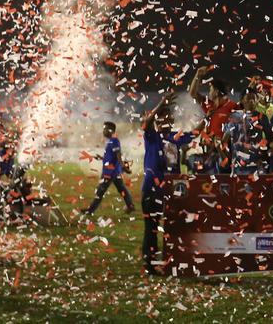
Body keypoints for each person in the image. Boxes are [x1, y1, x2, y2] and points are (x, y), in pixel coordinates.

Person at [140, 92, 197, 276]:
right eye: (162, 118)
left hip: (171, 190)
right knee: (152, 228)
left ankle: (172, 261)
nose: (167, 120)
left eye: (168, 117)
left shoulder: (174, 137)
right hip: (152, 189)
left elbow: (196, 132)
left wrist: (211, 116)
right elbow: (146, 123)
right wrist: (161, 105)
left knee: (173, 227)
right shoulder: (152, 137)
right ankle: (149, 265)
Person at [81, 121, 134, 216]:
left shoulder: (114, 140)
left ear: (111, 130)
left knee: (100, 191)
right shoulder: (111, 141)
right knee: (122, 189)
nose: (103, 131)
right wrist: (102, 158)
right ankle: (130, 205)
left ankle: (90, 211)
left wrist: (123, 167)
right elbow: (112, 156)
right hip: (113, 171)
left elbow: (118, 155)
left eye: (105, 128)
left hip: (110, 172)